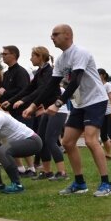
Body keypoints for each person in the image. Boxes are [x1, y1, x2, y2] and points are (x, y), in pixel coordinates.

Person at [23, 24, 111, 197]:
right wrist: (33, 105)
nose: (52, 37)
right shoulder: (60, 60)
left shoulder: (80, 52)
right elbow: (51, 85)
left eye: (55, 34)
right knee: (67, 142)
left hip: (96, 100)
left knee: (90, 140)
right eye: (51, 34)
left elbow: (76, 80)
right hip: (80, 104)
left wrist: (58, 104)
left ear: (67, 35)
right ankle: (80, 183)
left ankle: (106, 183)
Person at [11, 46, 68, 180]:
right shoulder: (40, 72)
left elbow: (42, 91)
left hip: (58, 110)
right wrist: (14, 100)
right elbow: (29, 89)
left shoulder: (50, 72)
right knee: (41, 140)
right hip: (48, 110)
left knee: (50, 140)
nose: (30, 58)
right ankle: (46, 172)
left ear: (40, 57)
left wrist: (29, 104)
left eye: (32, 56)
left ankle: (62, 173)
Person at [0, 45, 36, 176]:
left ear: (13, 55)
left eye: (5, 54)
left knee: (22, 139)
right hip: (10, 112)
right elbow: (5, 91)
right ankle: (20, 168)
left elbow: (24, 90)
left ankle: (31, 168)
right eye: (2, 54)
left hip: (22, 111)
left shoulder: (21, 72)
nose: (2, 56)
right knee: (11, 140)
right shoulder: (7, 73)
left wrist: (6, 93)